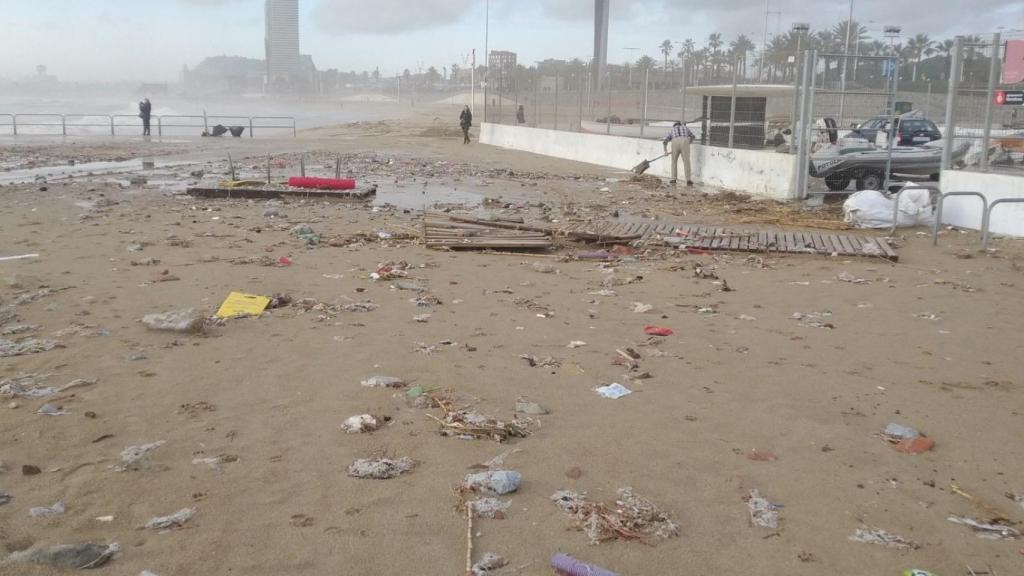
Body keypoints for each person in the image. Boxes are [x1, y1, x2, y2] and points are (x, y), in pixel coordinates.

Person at [663, 121, 694, 186]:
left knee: (674, 161)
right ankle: (688, 180)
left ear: (674, 126)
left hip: (675, 141)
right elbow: (693, 136)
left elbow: (665, 141)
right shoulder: (685, 127)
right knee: (686, 161)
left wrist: (665, 151)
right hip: (685, 141)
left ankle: (673, 179)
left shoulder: (672, 130)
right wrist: (689, 142)